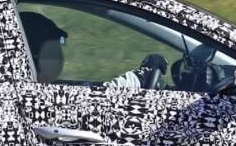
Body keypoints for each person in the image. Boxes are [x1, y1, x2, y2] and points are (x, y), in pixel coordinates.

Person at [19, 11, 156, 89]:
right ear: (36, 56)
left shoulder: (39, 90)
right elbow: (97, 102)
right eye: (56, 43)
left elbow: (88, 93)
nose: (60, 50)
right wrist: (139, 78)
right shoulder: (35, 99)